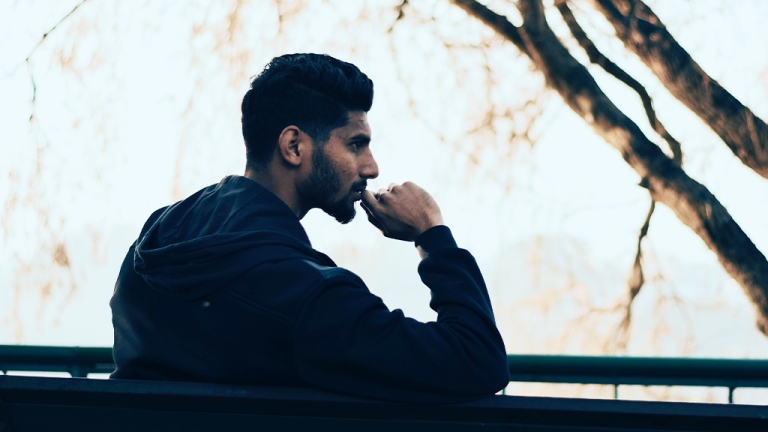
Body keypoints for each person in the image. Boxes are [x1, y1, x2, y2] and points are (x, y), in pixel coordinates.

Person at [110, 53, 509, 403]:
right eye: (356, 144)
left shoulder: (153, 241)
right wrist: (432, 233)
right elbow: (477, 360)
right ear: (294, 147)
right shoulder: (307, 299)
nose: (371, 167)